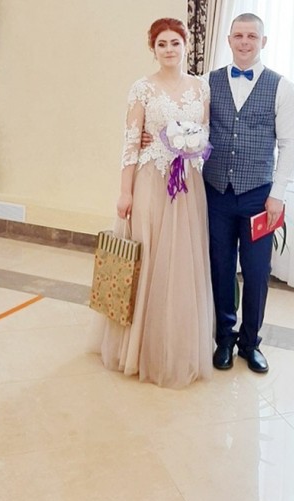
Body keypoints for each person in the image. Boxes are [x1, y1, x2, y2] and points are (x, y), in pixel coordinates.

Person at [97, 18, 214, 389]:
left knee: (181, 262)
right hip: (150, 181)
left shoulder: (201, 87)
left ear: (185, 45)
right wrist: (125, 192)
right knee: (148, 257)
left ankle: (176, 346)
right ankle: (138, 347)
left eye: (175, 43)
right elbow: (130, 143)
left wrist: (192, 146)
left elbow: (205, 134)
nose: (169, 49)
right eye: (162, 44)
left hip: (188, 184)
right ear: (153, 48)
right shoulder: (142, 88)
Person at [204, 13, 294, 374]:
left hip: (259, 196)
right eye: (239, 36)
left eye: (252, 36)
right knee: (221, 266)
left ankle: (250, 343)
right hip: (216, 192)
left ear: (263, 41)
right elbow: (189, 127)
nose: (245, 42)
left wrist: (278, 194)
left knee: (258, 272)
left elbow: (289, 144)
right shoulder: (208, 82)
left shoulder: (282, 87)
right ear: (228, 40)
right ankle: (224, 340)